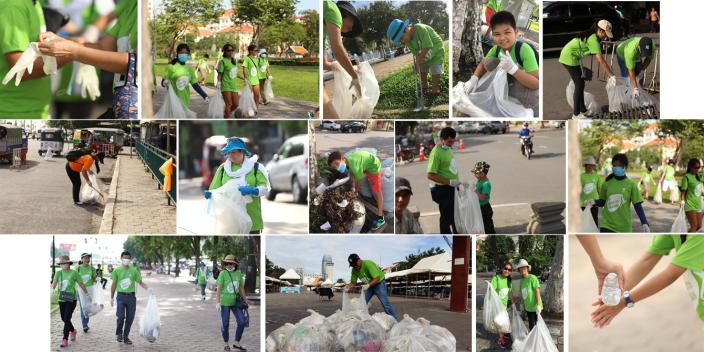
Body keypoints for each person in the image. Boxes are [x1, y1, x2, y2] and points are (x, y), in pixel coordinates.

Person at [37, 0, 139, 118]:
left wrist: (73, 50)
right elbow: (103, 47)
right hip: (121, 104)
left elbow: (134, 64)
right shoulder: (130, 7)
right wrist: (61, 41)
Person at [591, 235, 704, 328]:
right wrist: (617, 295)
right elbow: (647, 260)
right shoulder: (677, 225)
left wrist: (625, 301)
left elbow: (671, 273)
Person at [465, 11, 539, 112]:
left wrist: (513, 69)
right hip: (505, 80)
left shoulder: (524, 50)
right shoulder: (497, 49)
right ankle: (502, 94)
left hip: (522, 82)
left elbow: (536, 84)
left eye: (507, 32)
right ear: (493, 35)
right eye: (497, 34)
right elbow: (483, 63)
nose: (502, 38)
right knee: (490, 62)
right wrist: (474, 79)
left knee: (532, 97)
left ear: (516, 32)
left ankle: (514, 100)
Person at [204, 138, 270, 234]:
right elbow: (215, 190)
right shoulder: (223, 169)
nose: (230, 155)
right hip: (230, 221)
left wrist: (253, 190)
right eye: (228, 152)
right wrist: (210, 194)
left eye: (234, 152)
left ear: (242, 152)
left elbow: (265, 189)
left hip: (252, 219)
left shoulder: (255, 167)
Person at [558, 20, 615, 118]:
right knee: (579, 84)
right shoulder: (593, 39)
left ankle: (582, 109)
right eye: (605, 34)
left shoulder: (592, 35)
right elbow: (601, 60)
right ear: (600, 30)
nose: (605, 37)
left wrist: (581, 66)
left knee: (580, 83)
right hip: (568, 57)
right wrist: (612, 75)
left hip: (572, 56)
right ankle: (576, 114)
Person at [322, 0, 362, 118]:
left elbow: (324, 64)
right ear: (346, 15)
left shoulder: (323, 34)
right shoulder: (334, 9)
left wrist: (342, 67)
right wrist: (354, 76)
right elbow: (338, 48)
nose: (351, 29)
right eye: (353, 22)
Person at [327, 150, 386, 230]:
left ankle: (381, 218)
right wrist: (353, 187)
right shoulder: (348, 161)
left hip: (374, 167)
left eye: (337, 164)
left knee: (377, 192)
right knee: (358, 175)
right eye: (334, 167)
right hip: (367, 164)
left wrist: (356, 191)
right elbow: (351, 174)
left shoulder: (354, 165)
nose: (337, 168)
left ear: (343, 158)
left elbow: (360, 181)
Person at [386, 17, 444, 96]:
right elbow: (416, 54)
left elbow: (427, 46)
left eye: (401, 38)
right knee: (422, 68)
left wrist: (418, 62)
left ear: (406, 29)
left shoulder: (420, 28)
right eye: (400, 41)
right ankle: (424, 86)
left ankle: (435, 89)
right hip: (424, 52)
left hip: (436, 48)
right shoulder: (408, 42)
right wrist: (417, 64)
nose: (402, 42)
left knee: (435, 68)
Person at [595, 153, 650, 233]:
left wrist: (644, 222)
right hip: (606, 225)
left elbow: (637, 205)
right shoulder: (607, 183)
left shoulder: (631, 184)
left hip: (624, 227)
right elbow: (602, 202)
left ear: (624, 167)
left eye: (619, 165)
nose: (617, 168)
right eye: (614, 165)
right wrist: (593, 202)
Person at [110, 250, 149, 345]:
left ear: (130, 259)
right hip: (121, 296)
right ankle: (119, 332)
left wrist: (149, 289)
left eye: (128, 258)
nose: (126, 260)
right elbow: (113, 285)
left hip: (131, 297)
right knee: (120, 316)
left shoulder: (134, 270)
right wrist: (111, 298)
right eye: (125, 258)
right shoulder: (117, 270)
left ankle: (126, 337)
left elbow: (140, 282)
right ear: (121, 258)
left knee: (130, 318)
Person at [427, 127, 460, 234]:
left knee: (455, 215)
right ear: (442, 139)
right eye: (449, 141)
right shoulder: (436, 153)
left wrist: (456, 183)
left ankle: (457, 234)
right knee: (446, 218)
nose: (451, 144)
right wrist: (450, 182)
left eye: (453, 141)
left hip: (453, 188)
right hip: (444, 189)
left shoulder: (447, 149)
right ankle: (447, 236)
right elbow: (430, 175)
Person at [346, 254, 398, 321]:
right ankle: (361, 320)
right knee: (362, 303)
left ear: (359, 260)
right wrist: (347, 287)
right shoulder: (354, 270)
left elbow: (377, 277)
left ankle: (395, 321)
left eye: (355, 264)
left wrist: (368, 285)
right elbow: (353, 282)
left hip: (379, 283)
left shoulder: (368, 264)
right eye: (352, 265)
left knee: (385, 304)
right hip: (370, 286)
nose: (354, 266)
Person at [51, 255, 89, 348]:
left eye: (65, 263)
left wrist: (87, 294)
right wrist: (50, 293)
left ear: (68, 263)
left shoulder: (74, 273)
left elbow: (81, 284)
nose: (63, 265)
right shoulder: (58, 273)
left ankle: (65, 339)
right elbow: (54, 285)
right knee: (64, 319)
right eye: (61, 263)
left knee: (67, 318)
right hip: (62, 299)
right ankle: (73, 330)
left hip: (71, 299)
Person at [161, 43, 209, 110]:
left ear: (188, 55)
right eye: (181, 53)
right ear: (177, 54)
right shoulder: (171, 67)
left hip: (185, 101)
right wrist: (164, 82)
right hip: (173, 101)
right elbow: (162, 82)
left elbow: (195, 85)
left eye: (186, 53)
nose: (184, 54)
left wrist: (204, 95)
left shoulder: (189, 70)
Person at [216, 255, 248, 352]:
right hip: (224, 302)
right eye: (227, 263)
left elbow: (241, 288)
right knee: (225, 324)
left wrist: (245, 300)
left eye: (231, 263)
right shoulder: (223, 273)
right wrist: (218, 302)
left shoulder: (238, 273)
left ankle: (236, 343)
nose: (229, 265)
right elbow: (219, 289)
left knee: (242, 321)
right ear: (224, 264)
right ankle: (226, 343)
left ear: (235, 264)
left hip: (236, 302)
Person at [490, 262, 513, 348]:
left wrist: (513, 304)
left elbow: (510, 293)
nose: (507, 271)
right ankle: (501, 339)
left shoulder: (509, 280)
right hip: (497, 306)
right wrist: (489, 285)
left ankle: (502, 335)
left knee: (503, 322)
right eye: (506, 268)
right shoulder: (496, 278)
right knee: (500, 322)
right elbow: (492, 291)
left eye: (509, 270)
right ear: (502, 269)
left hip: (504, 305)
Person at [515, 259, 542, 330]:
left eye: (524, 268)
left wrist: (538, 305)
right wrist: (521, 304)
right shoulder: (522, 281)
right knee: (531, 325)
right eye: (520, 268)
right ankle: (532, 339)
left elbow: (537, 291)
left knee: (537, 325)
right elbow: (523, 294)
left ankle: (537, 340)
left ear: (527, 268)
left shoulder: (532, 278)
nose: (522, 270)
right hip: (528, 308)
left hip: (535, 307)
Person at [680, 158, 703, 232]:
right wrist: (682, 201)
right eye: (695, 167)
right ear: (690, 167)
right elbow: (683, 191)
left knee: (699, 226)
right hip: (689, 205)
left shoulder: (698, 177)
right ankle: (688, 241)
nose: (697, 169)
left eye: (699, 167)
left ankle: (686, 236)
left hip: (698, 204)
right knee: (694, 225)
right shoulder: (686, 177)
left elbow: (698, 190)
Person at [217, 43, 239, 118]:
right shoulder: (222, 62)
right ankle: (227, 119)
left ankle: (226, 113)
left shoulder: (234, 61)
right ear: (225, 52)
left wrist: (244, 78)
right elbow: (220, 74)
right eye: (228, 50)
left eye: (232, 50)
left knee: (236, 104)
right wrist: (219, 82)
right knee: (228, 104)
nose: (230, 52)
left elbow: (235, 73)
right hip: (225, 85)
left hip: (234, 85)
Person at [76, 253, 97, 333]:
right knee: (83, 306)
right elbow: (75, 279)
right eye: (85, 258)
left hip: (90, 289)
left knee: (88, 306)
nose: (87, 260)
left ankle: (86, 322)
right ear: (82, 259)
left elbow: (94, 279)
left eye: (88, 258)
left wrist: (97, 279)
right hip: (81, 289)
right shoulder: (78, 268)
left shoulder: (92, 269)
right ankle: (84, 324)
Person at [473, 161, 495, 234]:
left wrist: (475, 191)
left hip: (485, 208)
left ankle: (491, 235)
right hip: (480, 207)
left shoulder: (486, 184)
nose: (475, 175)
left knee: (487, 225)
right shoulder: (479, 181)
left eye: (476, 173)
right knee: (482, 223)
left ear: (482, 173)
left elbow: (483, 198)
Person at [581, 156, 603, 225]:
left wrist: (602, 200)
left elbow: (599, 189)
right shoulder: (581, 176)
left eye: (592, 165)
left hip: (594, 202)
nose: (591, 167)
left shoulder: (596, 176)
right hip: (583, 203)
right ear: (585, 166)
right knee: (585, 222)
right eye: (589, 165)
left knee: (594, 220)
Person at [242, 44, 262, 112]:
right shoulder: (247, 59)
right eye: (255, 50)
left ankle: (255, 110)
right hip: (249, 81)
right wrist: (246, 79)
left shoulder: (257, 59)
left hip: (256, 81)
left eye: (257, 50)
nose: (257, 52)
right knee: (248, 97)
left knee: (257, 96)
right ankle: (247, 110)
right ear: (250, 51)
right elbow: (244, 69)